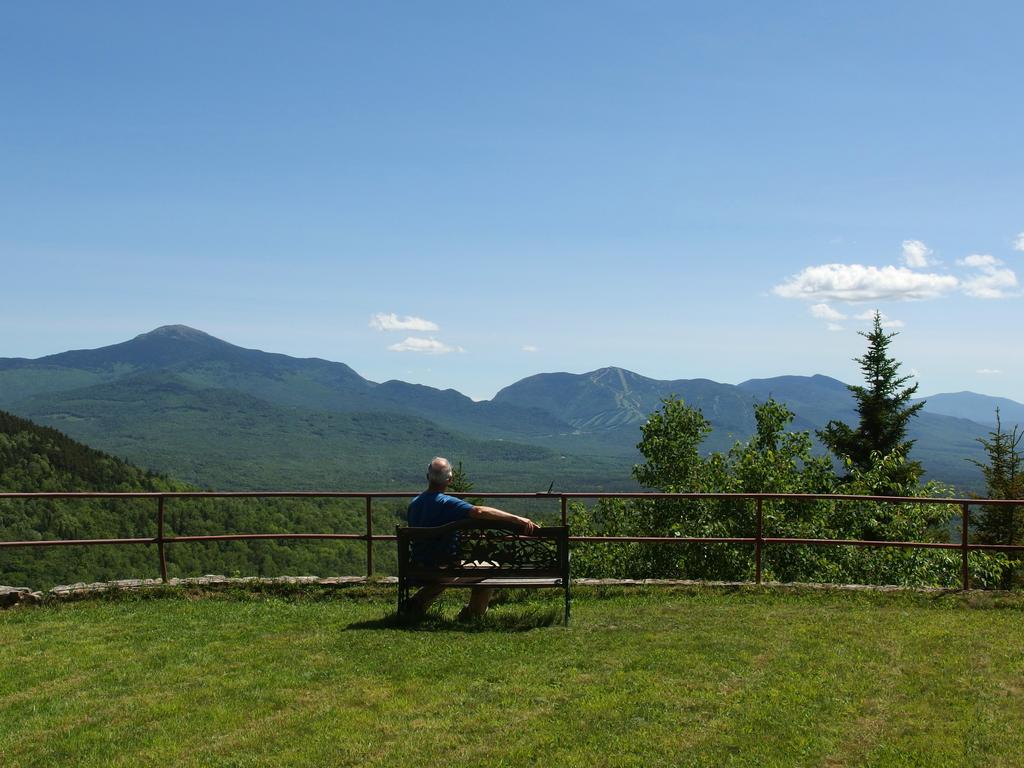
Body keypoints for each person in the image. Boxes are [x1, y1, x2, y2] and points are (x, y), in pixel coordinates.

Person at [406, 456, 538, 619]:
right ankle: (473, 614)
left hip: (417, 567)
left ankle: (417, 603)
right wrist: (517, 519)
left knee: (442, 567)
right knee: (491, 566)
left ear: (428, 477)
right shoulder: (448, 503)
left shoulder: (414, 504)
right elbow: (479, 512)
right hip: (443, 568)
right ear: (450, 479)